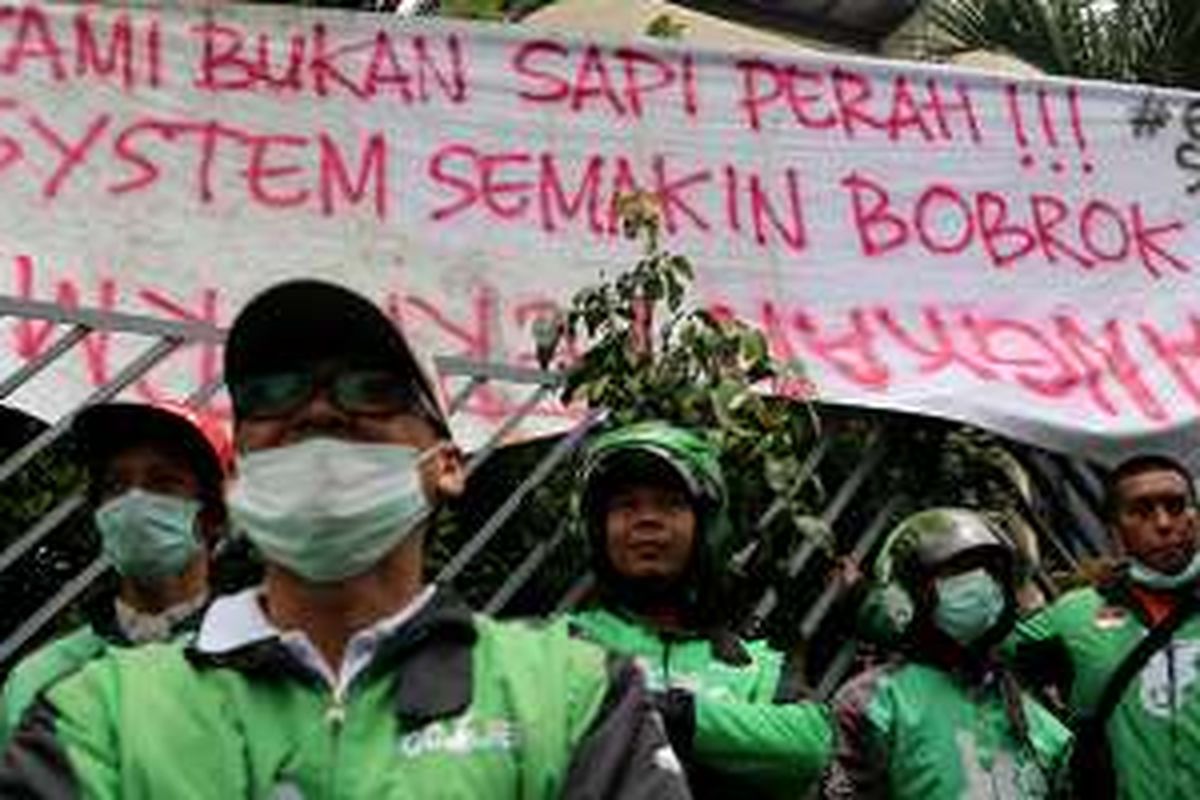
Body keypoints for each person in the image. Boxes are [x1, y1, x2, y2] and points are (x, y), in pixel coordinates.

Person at [0, 279, 689, 799]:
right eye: (272, 392)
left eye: (371, 387)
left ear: (448, 465)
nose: (318, 408)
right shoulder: (96, 714)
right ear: (239, 479)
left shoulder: (572, 697)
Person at [570, 421, 832, 799]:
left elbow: (811, 745)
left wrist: (678, 715)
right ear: (598, 530)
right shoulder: (561, 645)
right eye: (626, 505)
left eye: (669, 504)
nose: (647, 518)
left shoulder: (757, 662)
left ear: (703, 527)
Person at [0, 402, 228, 743]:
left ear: (214, 516)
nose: (134, 501)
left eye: (163, 482)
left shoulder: (259, 675)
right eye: (116, 484)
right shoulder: (39, 677)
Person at [822, 507, 1071, 799]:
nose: (979, 582)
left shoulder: (1037, 721)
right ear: (911, 592)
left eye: (988, 570)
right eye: (957, 570)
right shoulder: (875, 702)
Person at [1009, 454, 1200, 799]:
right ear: (1114, 530)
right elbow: (983, 667)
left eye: (1176, 506)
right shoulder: (1073, 616)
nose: (1164, 523)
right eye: (1141, 510)